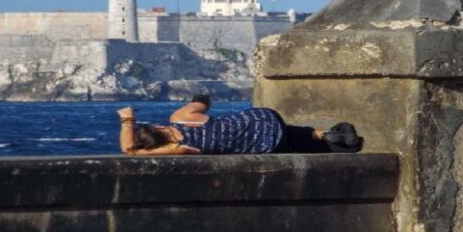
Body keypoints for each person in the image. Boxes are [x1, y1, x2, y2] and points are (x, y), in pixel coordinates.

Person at [117, 95, 362, 155]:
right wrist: (197, 101)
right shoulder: (180, 118)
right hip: (261, 119)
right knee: (293, 133)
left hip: (262, 145)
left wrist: (127, 122)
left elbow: (130, 151)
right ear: (156, 128)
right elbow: (202, 103)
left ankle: (332, 138)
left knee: (289, 140)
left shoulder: (180, 149)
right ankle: (328, 134)